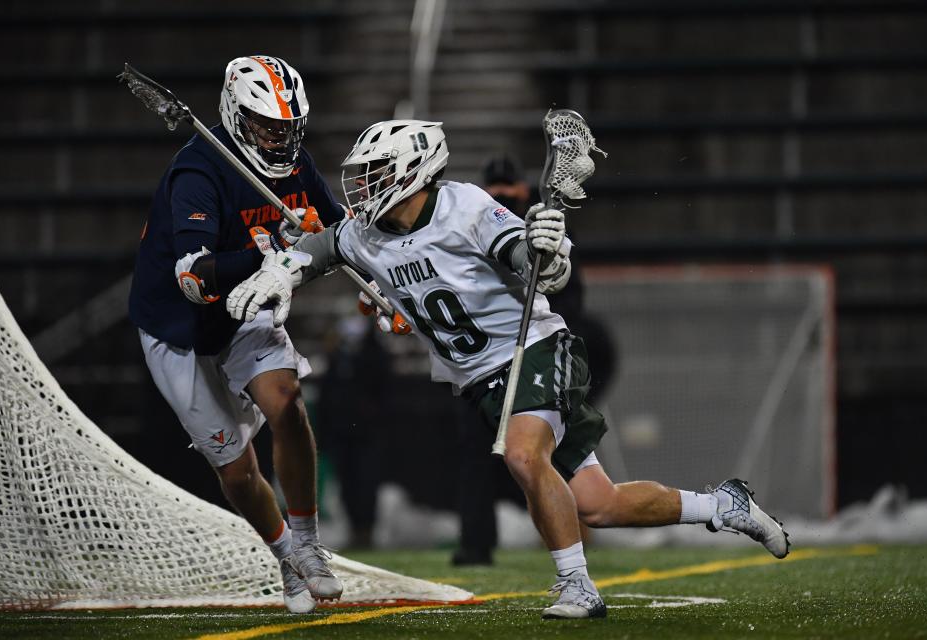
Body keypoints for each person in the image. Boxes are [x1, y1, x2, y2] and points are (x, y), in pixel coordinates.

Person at [225, 119, 791, 620]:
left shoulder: (465, 206)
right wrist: (284, 272)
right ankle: (723, 505)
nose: (363, 183)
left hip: (537, 349)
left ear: (415, 170)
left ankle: (577, 585)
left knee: (522, 454)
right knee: (599, 503)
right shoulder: (367, 234)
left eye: (376, 171)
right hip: (479, 379)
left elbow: (525, 259)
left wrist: (545, 253)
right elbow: (320, 248)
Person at [128, 55, 346, 614]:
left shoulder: (295, 167)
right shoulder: (199, 171)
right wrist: (268, 252)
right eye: (265, 125)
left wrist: (370, 274)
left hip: (247, 308)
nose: (278, 139)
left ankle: (308, 543)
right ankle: (285, 559)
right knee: (237, 467)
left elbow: (337, 231)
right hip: (178, 326)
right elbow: (194, 281)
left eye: (287, 127)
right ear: (234, 113)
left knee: (288, 403)